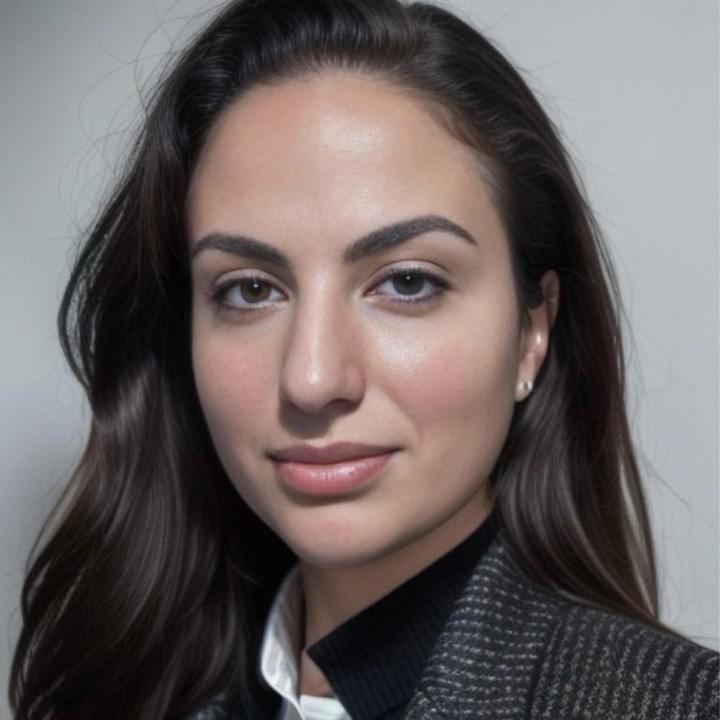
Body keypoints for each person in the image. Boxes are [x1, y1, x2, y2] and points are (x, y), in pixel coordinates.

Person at [9, 1, 718, 719]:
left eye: (406, 282)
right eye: (250, 290)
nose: (312, 379)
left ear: (531, 328)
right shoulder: (128, 694)